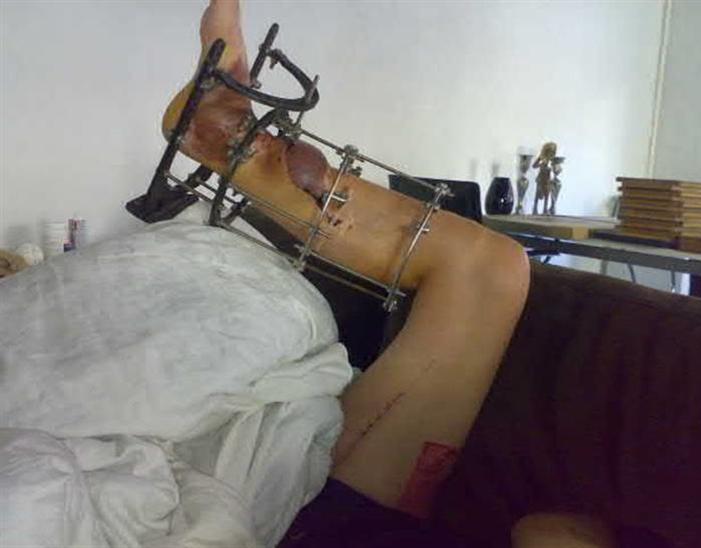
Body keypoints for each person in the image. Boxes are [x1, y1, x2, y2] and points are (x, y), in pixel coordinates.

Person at [163, 2, 616, 546]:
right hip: (354, 521)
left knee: (486, 269)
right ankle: (229, 139)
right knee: (488, 270)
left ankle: (229, 140)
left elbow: (554, 533)